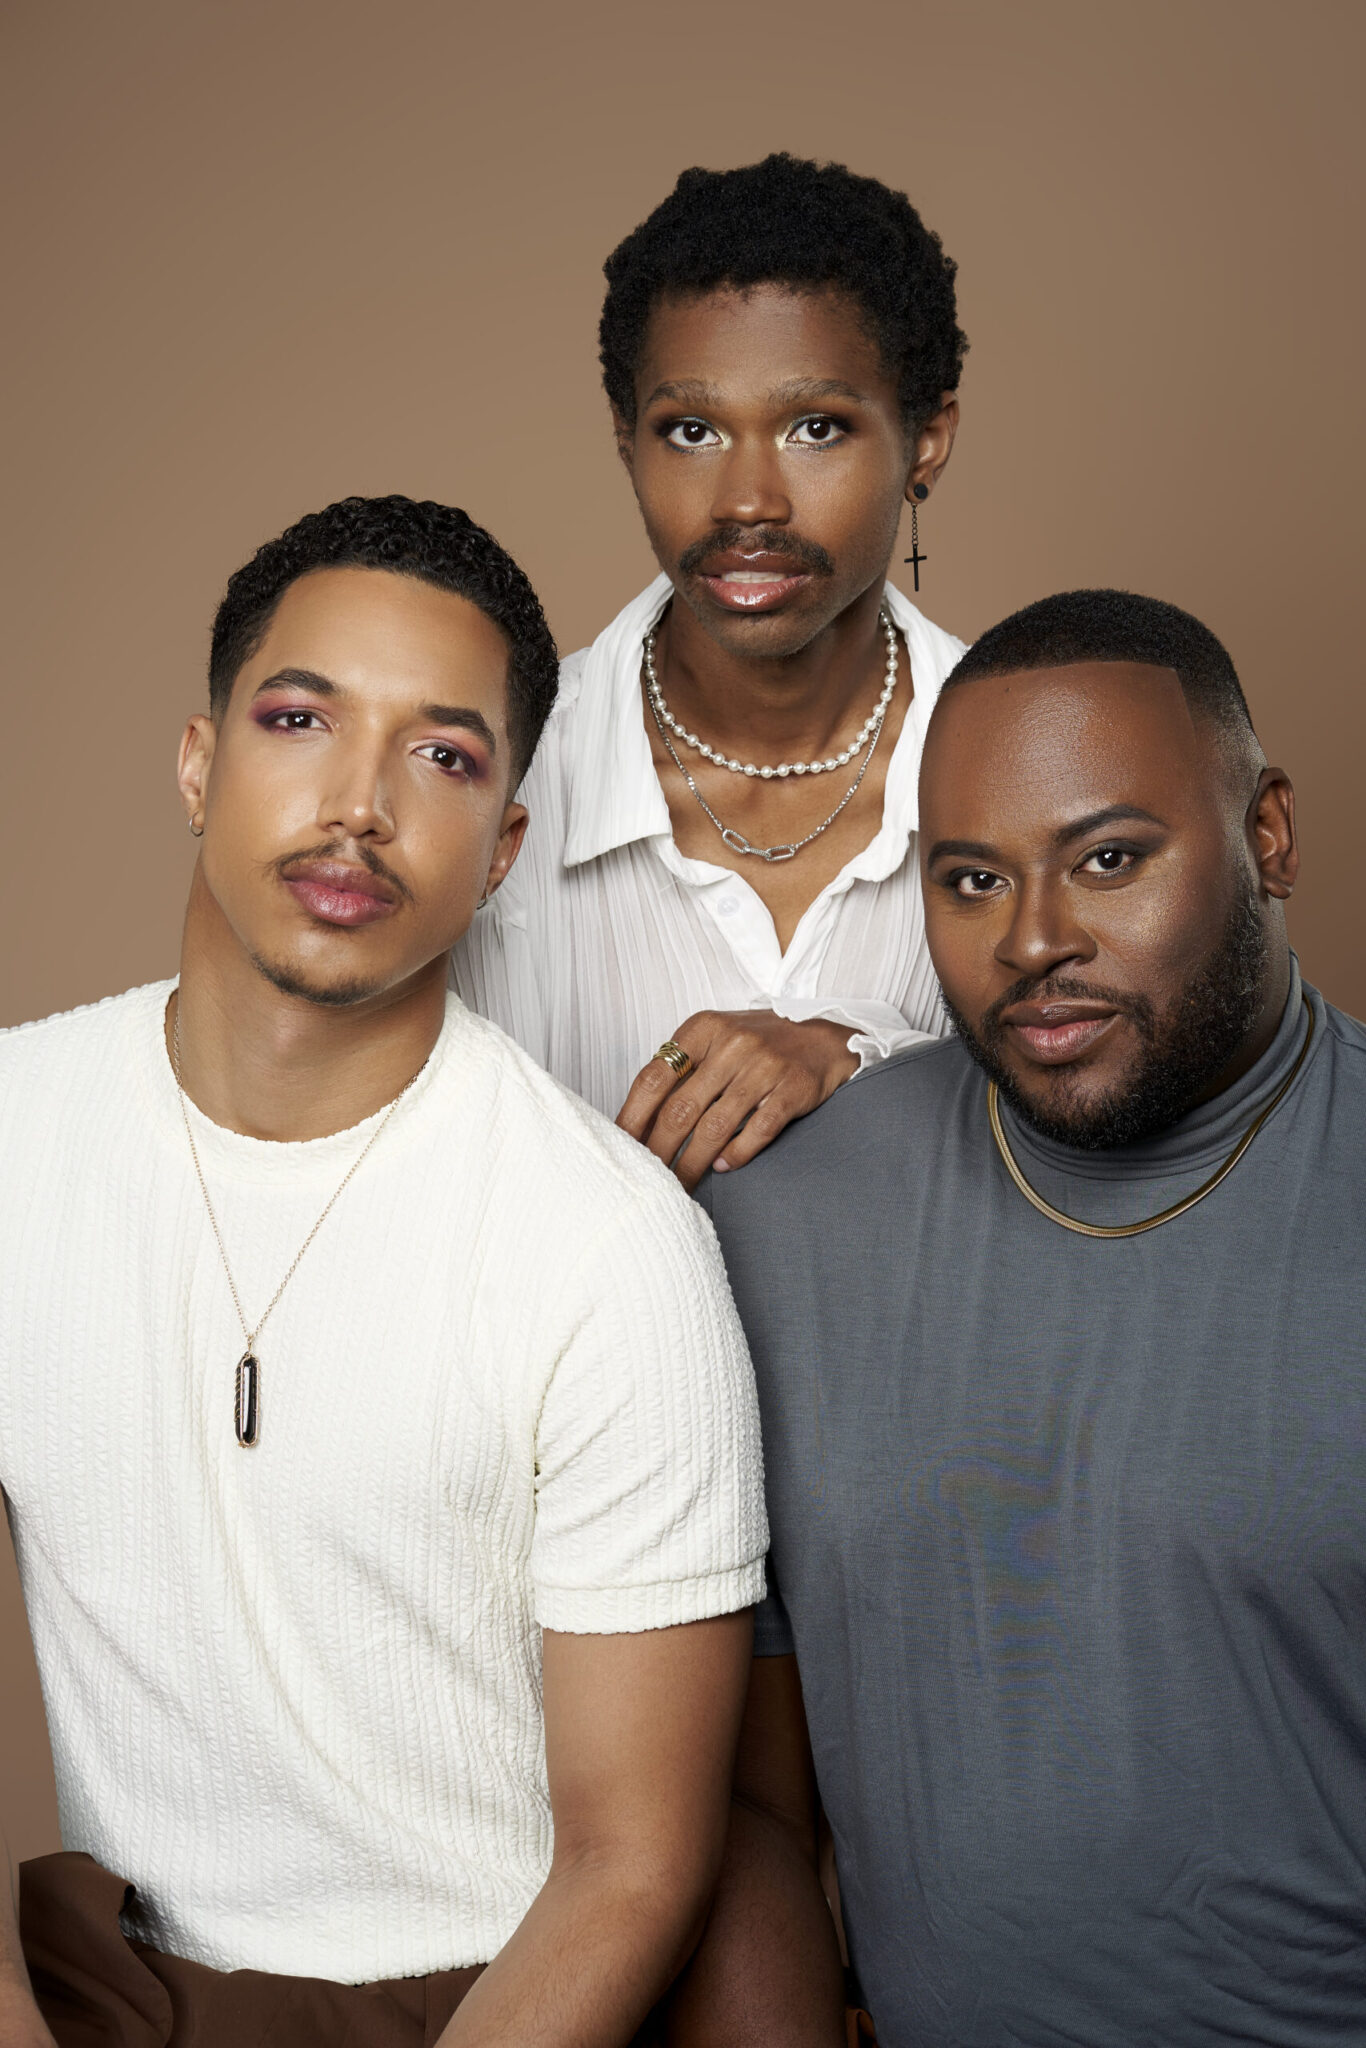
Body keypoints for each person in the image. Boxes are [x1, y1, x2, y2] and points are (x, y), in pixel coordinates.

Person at [0, 495, 768, 2048]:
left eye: (444, 757)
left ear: (504, 850)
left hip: (480, 2003)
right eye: (300, 720)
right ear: (199, 765)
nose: (358, 804)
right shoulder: (19, 1134)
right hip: (120, 1991)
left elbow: (631, 1868)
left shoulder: (610, 1248)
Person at [686, 589, 1366, 2046]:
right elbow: (748, 1812)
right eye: (971, 879)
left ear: (1267, 835)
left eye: (1108, 858)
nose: (1032, 940)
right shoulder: (783, 1220)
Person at [452, 153, 968, 1189]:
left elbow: (1125, 1135)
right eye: (691, 431)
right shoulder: (492, 772)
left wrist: (867, 1053)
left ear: (926, 440)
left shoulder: (1038, 773)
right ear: (627, 442)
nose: (746, 501)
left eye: (815, 427)